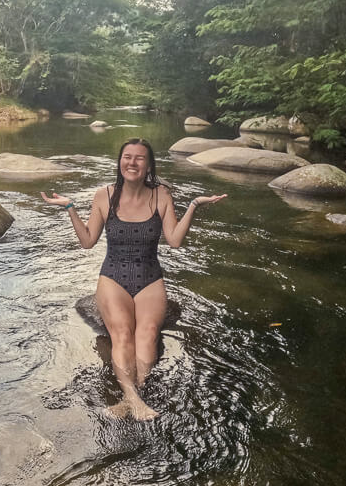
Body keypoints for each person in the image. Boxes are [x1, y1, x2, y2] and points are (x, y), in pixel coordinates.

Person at [41, 139, 227, 420]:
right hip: (113, 276)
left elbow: (175, 241)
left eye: (139, 158)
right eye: (127, 157)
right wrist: (69, 208)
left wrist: (194, 205)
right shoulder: (103, 195)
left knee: (148, 333)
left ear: (149, 165)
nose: (132, 162)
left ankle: (131, 398)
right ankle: (132, 398)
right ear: (120, 162)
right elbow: (88, 241)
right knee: (122, 335)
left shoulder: (161, 195)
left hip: (149, 276)